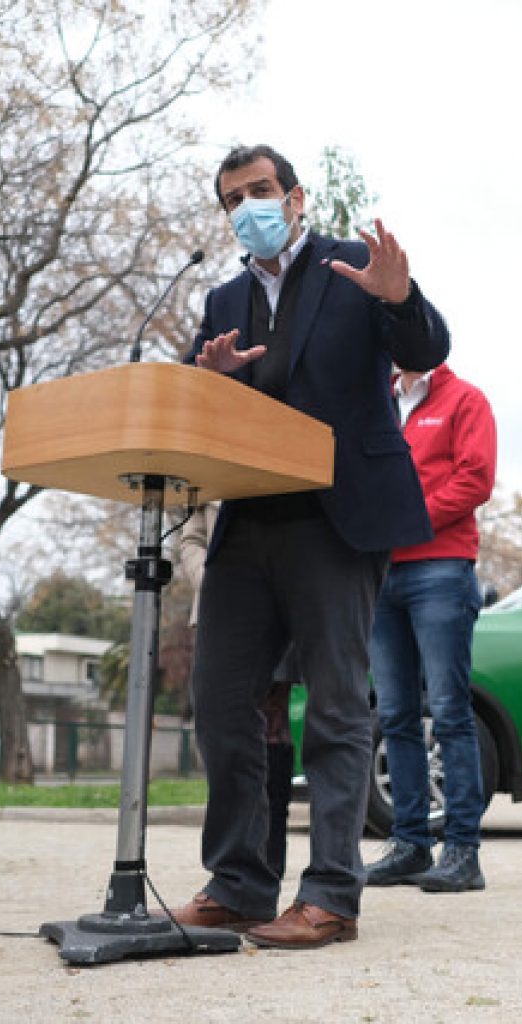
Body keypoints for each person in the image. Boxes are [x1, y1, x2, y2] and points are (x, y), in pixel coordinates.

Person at [171, 144, 449, 950]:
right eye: (233, 199)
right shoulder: (222, 298)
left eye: (261, 191)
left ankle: (332, 894)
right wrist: (211, 385)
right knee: (222, 702)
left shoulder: (353, 265)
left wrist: (401, 300)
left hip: (339, 517)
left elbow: (425, 349)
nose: (248, 207)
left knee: (333, 706)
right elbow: (210, 417)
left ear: (296, 198)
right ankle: (239, 884)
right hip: (249, 519)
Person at [364, 363, 497, 892]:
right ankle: (410, 844)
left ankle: (463, 850)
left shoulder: (466, 399)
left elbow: (475, 479)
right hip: (379, 574)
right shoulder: (376, 401)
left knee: (448, 711)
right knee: (394, 713)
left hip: (440, 569)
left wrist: (407, 519)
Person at [179, 503, 296, 880]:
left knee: (271, 722)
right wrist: (214, 577)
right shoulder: (211, 472)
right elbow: (191, 536)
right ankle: (236, 868)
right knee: (224, 725)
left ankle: (268, 861)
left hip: (281, 598)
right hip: (219, 606)